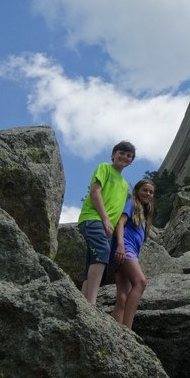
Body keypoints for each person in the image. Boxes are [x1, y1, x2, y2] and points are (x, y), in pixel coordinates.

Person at [78, 140, 136, 305]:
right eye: (121, 153)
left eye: (129, 156)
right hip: (94, 219)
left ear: (131, 162)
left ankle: (82, 303)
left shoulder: (125, 186)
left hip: (107, 227)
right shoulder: (105, 168)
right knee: (102, 253)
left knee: (94, 262)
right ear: (113, 155)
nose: (124, 157)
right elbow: (95, 192)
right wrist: (105, 219)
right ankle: (92, 303)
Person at [110, 178, 155, 328]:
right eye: (145, 190)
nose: (148, 194)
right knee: (141, 282)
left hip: (129, 252)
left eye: (151, 192)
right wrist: (121, 245)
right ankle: (127, 329)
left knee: (123, 297)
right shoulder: (131, 203)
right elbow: (120, 223)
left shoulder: (144, 213)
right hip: (124, 249)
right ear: (137, 191)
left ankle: (116, 331)